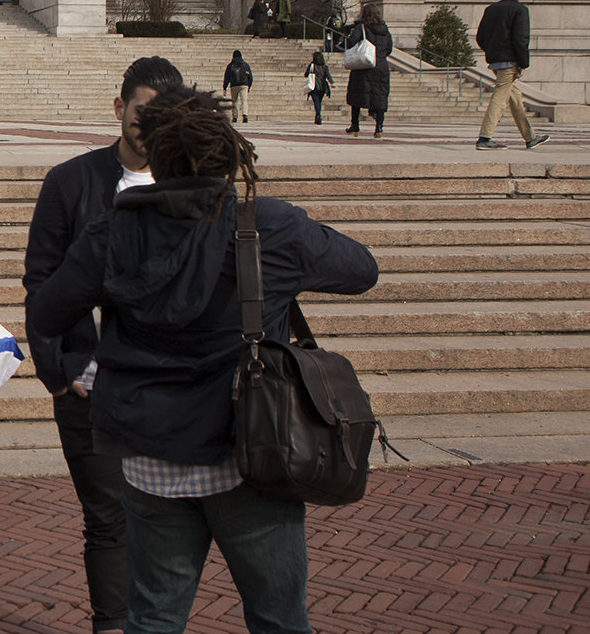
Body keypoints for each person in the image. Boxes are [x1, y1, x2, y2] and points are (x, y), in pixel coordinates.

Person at [27, 86, 377, 634]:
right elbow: (362, 270)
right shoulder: (269, 227)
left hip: (151, 458)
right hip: (253, 453)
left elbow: (46, 311)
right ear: (230, 158)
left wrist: (72, 372)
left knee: (154, 618)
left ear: (157, 158)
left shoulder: (115, 232)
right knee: (279, 619)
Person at [22, 55, 184, 634]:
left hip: (169, 388)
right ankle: (112, 625)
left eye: (165, 114)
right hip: (88, 387)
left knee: (169, 522)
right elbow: (41, 281)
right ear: (120, 109)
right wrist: (59, 372)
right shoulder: (71, 182)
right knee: (108, 519)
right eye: (143, 111)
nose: (151, 125)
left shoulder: (191, 185)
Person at [477, 0, 550, 151]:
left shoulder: (491, 9)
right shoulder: (520, 10)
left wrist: (491, 51)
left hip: (495, 60)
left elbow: (480, 37)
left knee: (515, 98)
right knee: (499, 98)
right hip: (509, 61)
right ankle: (484, 137)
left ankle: (530, 137)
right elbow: (520, 39)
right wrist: (523, 63)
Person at [343, 4, 394, 138]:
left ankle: (355, 126)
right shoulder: (385, 30)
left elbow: (350, 42)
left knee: (357, 96)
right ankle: (379, 127)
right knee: (380, 96)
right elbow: (389, 48)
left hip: (364, 65)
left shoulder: (362, 27)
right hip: (381, 66)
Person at [223, 49, 253, 124]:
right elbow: (250, 76)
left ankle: (235, 117)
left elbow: (226, 77)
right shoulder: (245, 65)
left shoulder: (230, 65)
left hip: (234, 85)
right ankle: (245, 115)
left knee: (234, 101)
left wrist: (224, 87)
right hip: (244, 85)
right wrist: (249, 85)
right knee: (244, 100)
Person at [303, 51, 332, 125]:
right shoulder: (324, 67)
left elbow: (306, 74)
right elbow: (328, 75)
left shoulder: (312, 66)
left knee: (316, 102)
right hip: (322, 86)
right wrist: (332, 82)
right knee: (319, 101)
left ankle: (318, 115)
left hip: (314, 86)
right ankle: (318, 115)